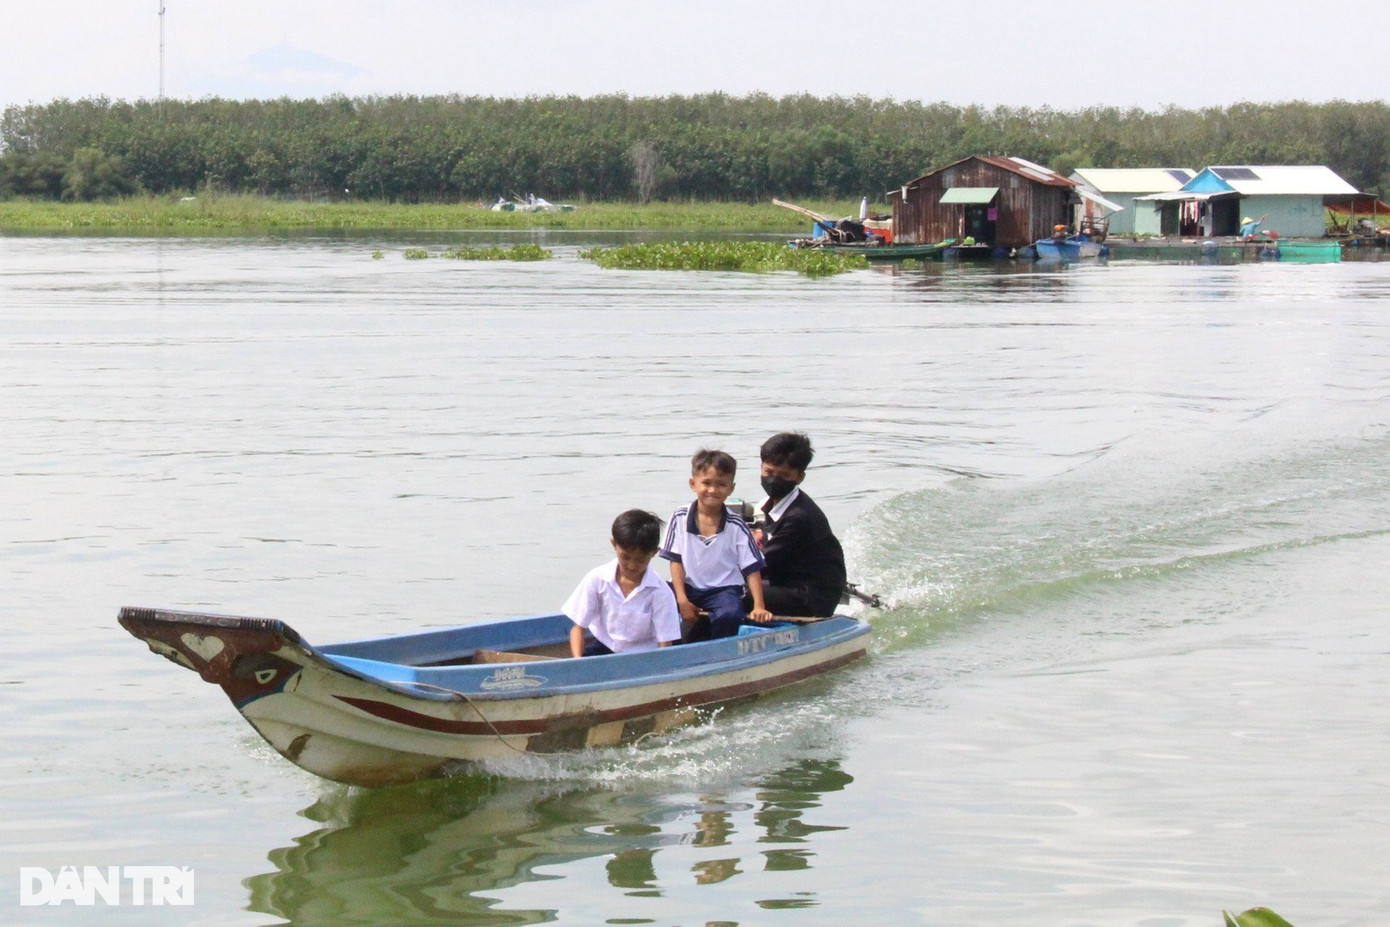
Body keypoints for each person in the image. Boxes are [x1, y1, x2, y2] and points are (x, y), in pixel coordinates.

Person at [661, 449, 772, 641]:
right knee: (653, 597)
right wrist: (681, 599)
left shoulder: (737, 525)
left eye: (721, 484)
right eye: (706, 483)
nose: (713, 490)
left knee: (729, 615)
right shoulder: (680, 516)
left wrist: (759, 606)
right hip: (688, 587)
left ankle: (714, 649)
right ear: (692, 484)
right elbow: (675, 561)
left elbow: (752, 569)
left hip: (724, 590)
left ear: (731, 488)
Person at [752, 432, 847, 618]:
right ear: (761, 467)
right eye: (769, 472)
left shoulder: (799, 517)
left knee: (727, 593)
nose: (774, 480)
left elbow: (760, 564)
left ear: (800, 477)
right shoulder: (771, 505)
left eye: (784, 475)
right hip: (784, 580)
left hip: (810, 597)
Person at [563, 509, 682, 657]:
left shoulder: (661, 593)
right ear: (614, 544)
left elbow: (665, 643)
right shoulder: (597, 579)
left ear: (654, 553)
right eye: (625, 557)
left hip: (643, 657)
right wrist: (578, 663)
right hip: (604, 649)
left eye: (640, 560)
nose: (632, 566)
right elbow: (578, 628)